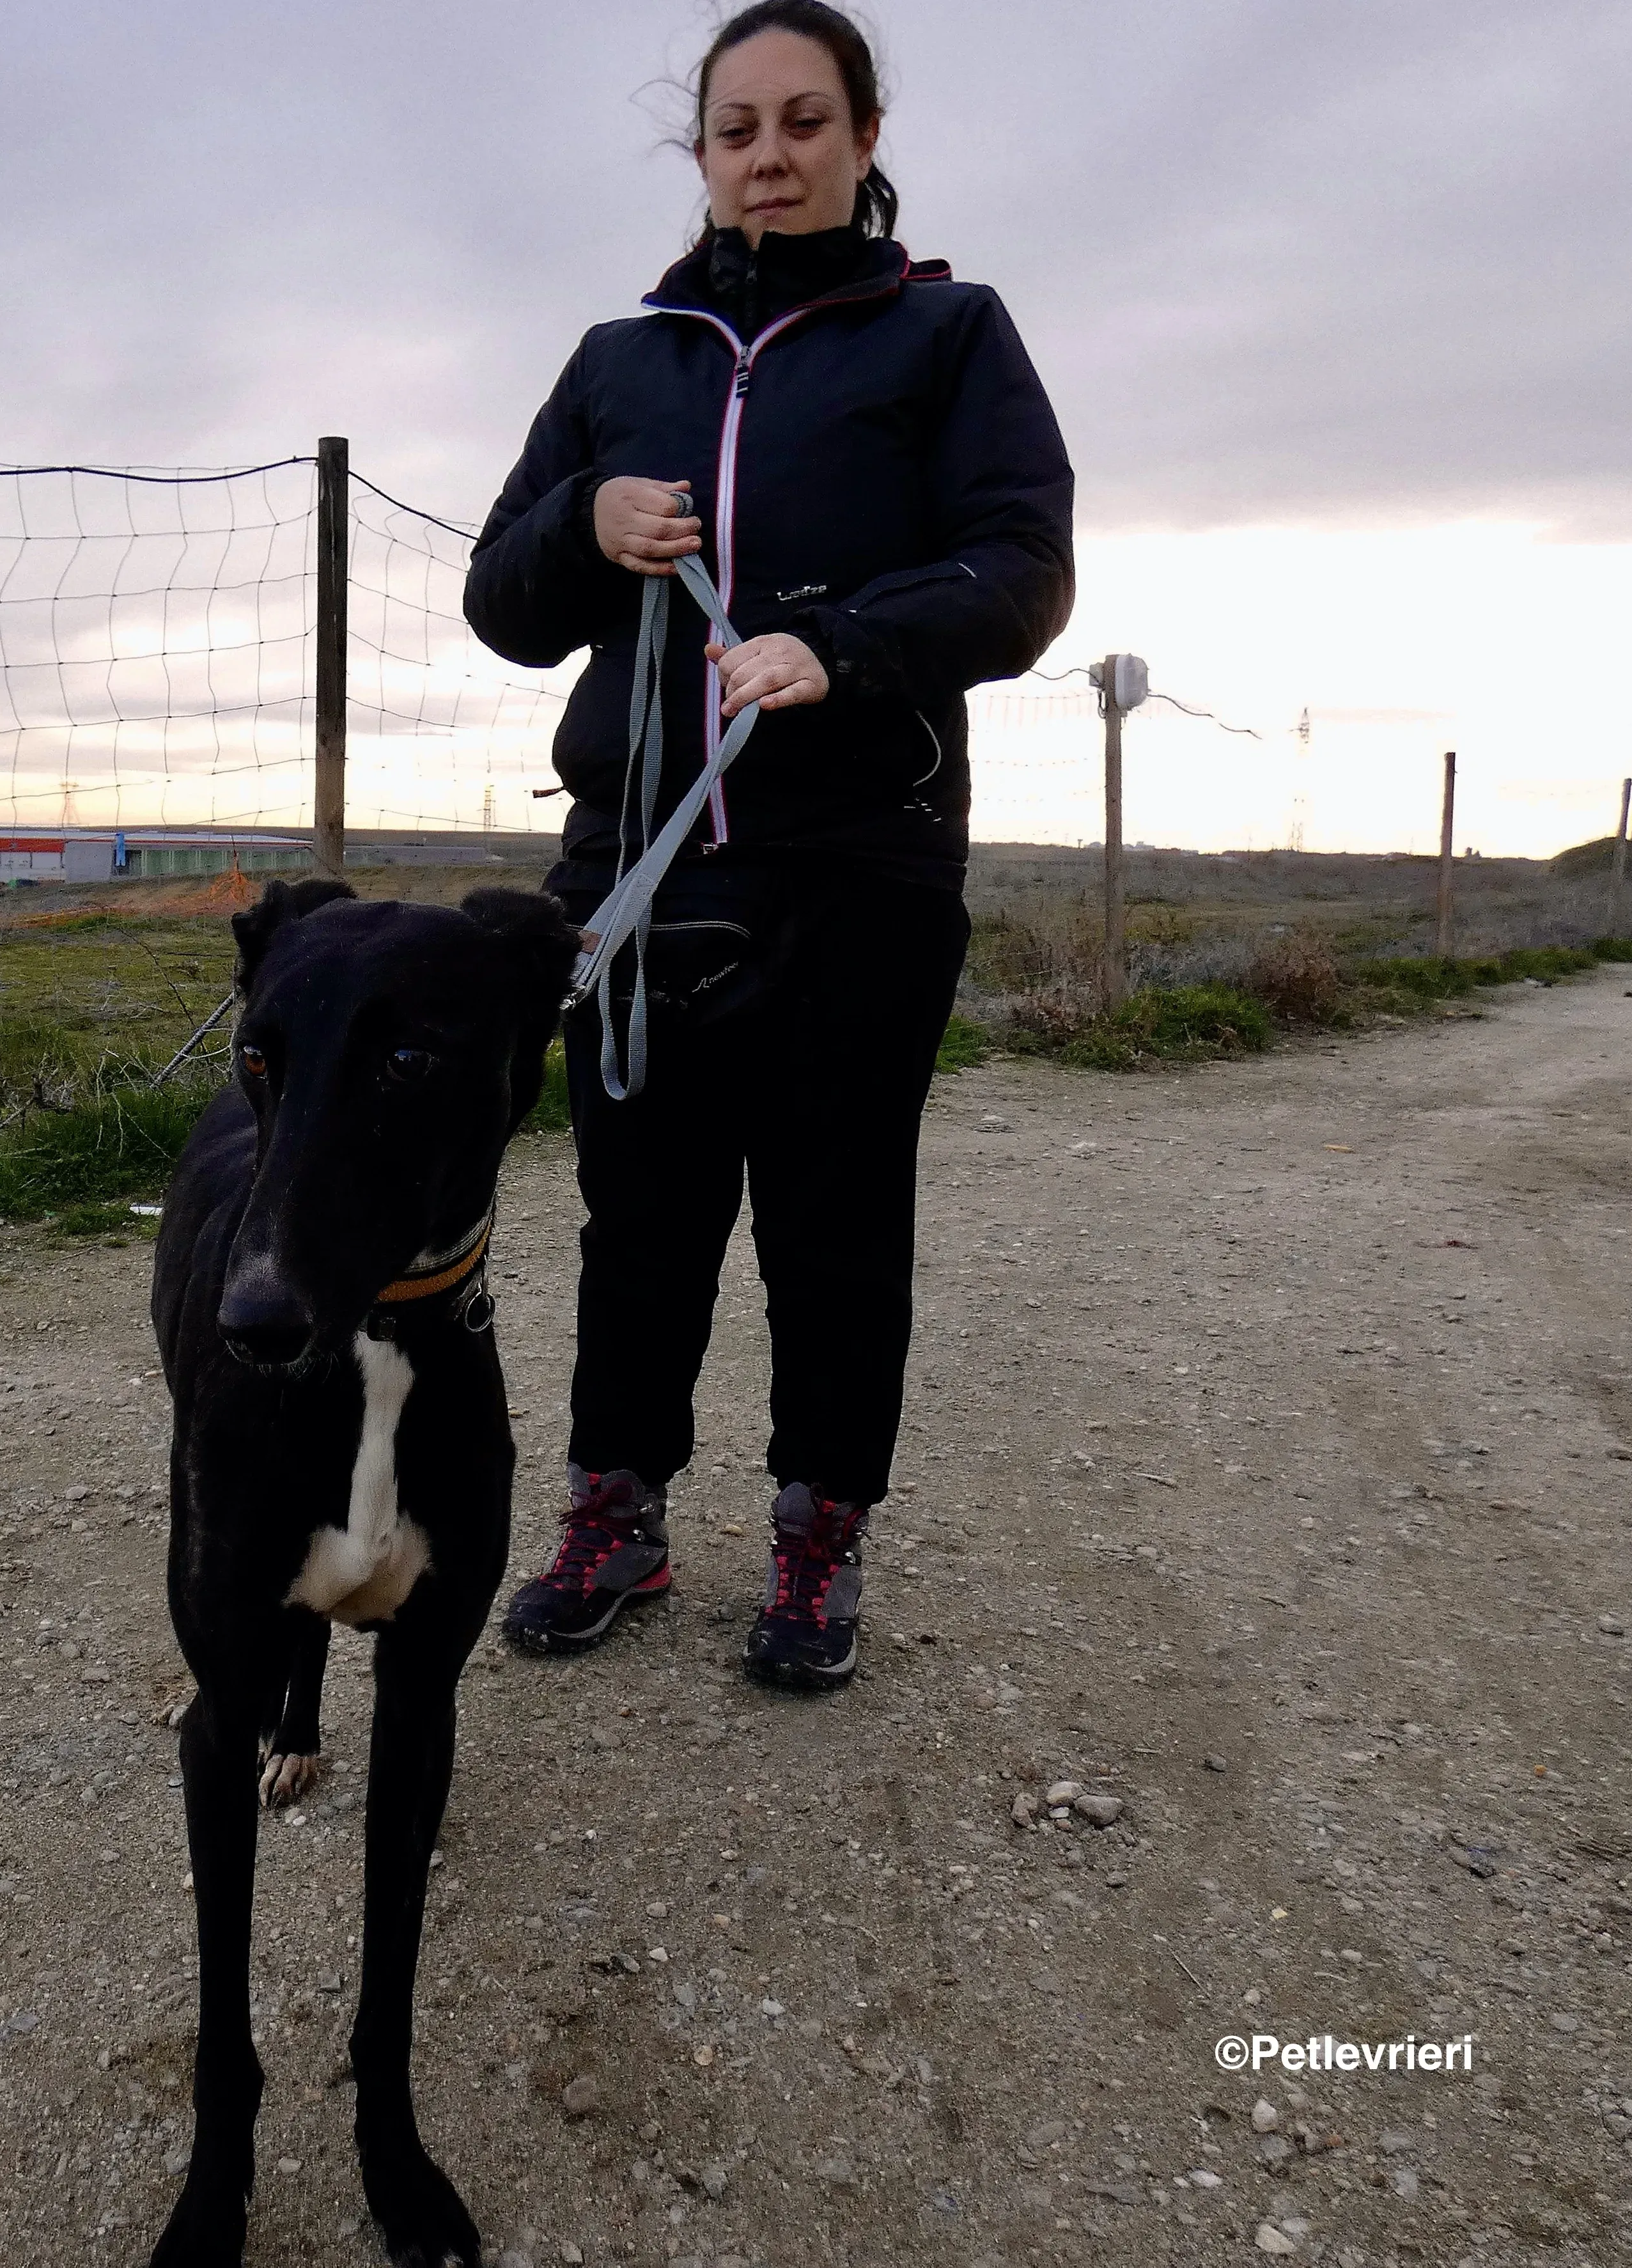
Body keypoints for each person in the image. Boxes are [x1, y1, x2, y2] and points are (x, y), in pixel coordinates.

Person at [464, 1, 1074, 1691]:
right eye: (738, 129)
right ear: (703, 156)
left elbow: (1022, 570)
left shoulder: (945, 338)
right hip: (640, 868)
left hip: (857, 865)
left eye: (805, 122)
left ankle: (818, 1531)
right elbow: (504, 606)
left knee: (831, 1215)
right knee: (635, 1217)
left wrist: (847, 646)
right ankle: (615, 1511)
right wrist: (588, 529)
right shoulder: (619, 362)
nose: (771, 155)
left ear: (863, 139)